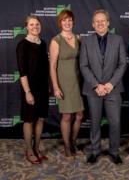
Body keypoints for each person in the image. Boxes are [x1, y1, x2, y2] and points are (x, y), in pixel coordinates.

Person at [80, 9, 127, 164]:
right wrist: (96, 85)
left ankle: (114, 151)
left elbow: (122, 64)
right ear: (93, 24)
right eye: (97, 21)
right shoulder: (86, 41)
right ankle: (95, 150)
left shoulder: (118, 39)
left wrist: (110, 84)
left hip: (113, 89)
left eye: (103, 20)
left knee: (115, 122)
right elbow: (84, 66)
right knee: (94, 122)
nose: (100, 23)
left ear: (108, 22)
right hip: (93, 90)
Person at [49, 9, 84, 157]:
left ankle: (73, 141)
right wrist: (56, 87)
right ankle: (67, 145)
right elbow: (52, 66)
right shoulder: (56, 41)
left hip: (78, 81)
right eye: (64, 20)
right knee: (67, 116)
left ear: (73, 21)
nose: (67, 22)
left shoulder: (78, 38)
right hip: (63, 82)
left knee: (80, 115)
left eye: (69, 20)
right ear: (60, 23)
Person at [16, 15, 49, 164]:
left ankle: (37, 147)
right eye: (31, 24)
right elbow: (22, 72)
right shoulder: (22, 45)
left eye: (37, 24)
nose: (35, 27)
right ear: (26, 27)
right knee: (29, 120)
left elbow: (44, 68)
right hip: (29, 88)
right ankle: (29, 150)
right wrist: (28, 92)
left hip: (42, 88)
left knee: (40, 118)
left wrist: (48, 85)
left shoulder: (43, 44)